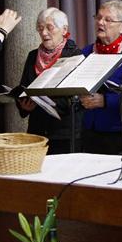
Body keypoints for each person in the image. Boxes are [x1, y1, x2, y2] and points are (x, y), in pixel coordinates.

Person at [80, 0, 122, 155]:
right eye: (98, 17)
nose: (100, 22)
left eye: (108, 20)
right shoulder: (87, 52)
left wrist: (106, 101)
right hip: (90, 130)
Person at [16, 8, 82, 155]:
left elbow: (77, 97)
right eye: (40, 28)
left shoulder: (75, 55)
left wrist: (49, 101)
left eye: (49, 27)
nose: (44, 33)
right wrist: (24, 106)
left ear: (64, 30)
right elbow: (24, 86)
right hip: (37, 130)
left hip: (64, 132)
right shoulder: (32, 56)